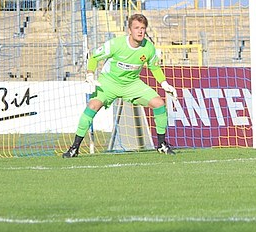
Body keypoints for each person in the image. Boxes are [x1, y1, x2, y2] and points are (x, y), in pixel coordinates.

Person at [62, 13, 178, 157]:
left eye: (142, 28)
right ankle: (74, 148)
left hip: (132, 84)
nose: (140, 31)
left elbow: (154, 67)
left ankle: (161, 144)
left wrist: (164, 83)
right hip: (109, 83)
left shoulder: (149, 48)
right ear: (129, 30)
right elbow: (94, 57)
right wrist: (90, 74)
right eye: (136, 28)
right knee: (92, 106)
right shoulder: (116, 44)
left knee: (159, 103)